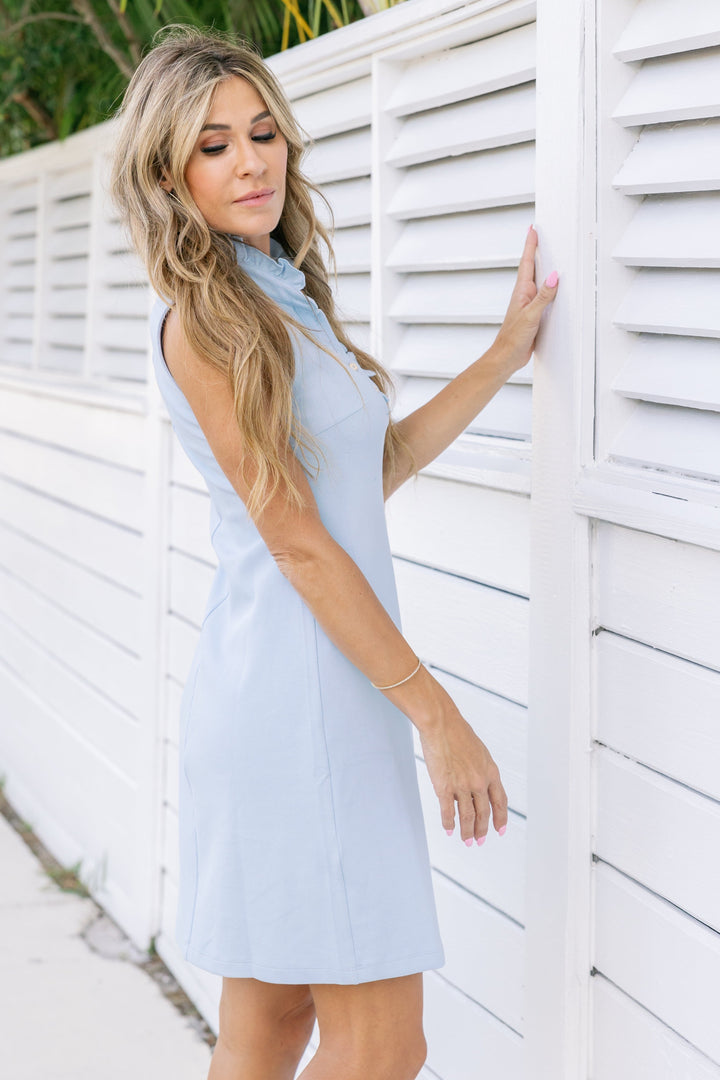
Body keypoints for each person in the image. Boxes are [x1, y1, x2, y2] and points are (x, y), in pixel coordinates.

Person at [109, 23, 558, 1080]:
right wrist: (438, 717)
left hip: (327, 689)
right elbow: (299, 543)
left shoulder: (280, 292)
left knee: (269, 1031)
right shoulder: (205, 321)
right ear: (168, 173)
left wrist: (504, 355)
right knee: (382, 1049)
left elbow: (372, 468)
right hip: (294, 705)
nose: (251, 162)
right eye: (214, 144)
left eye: (262, 133)